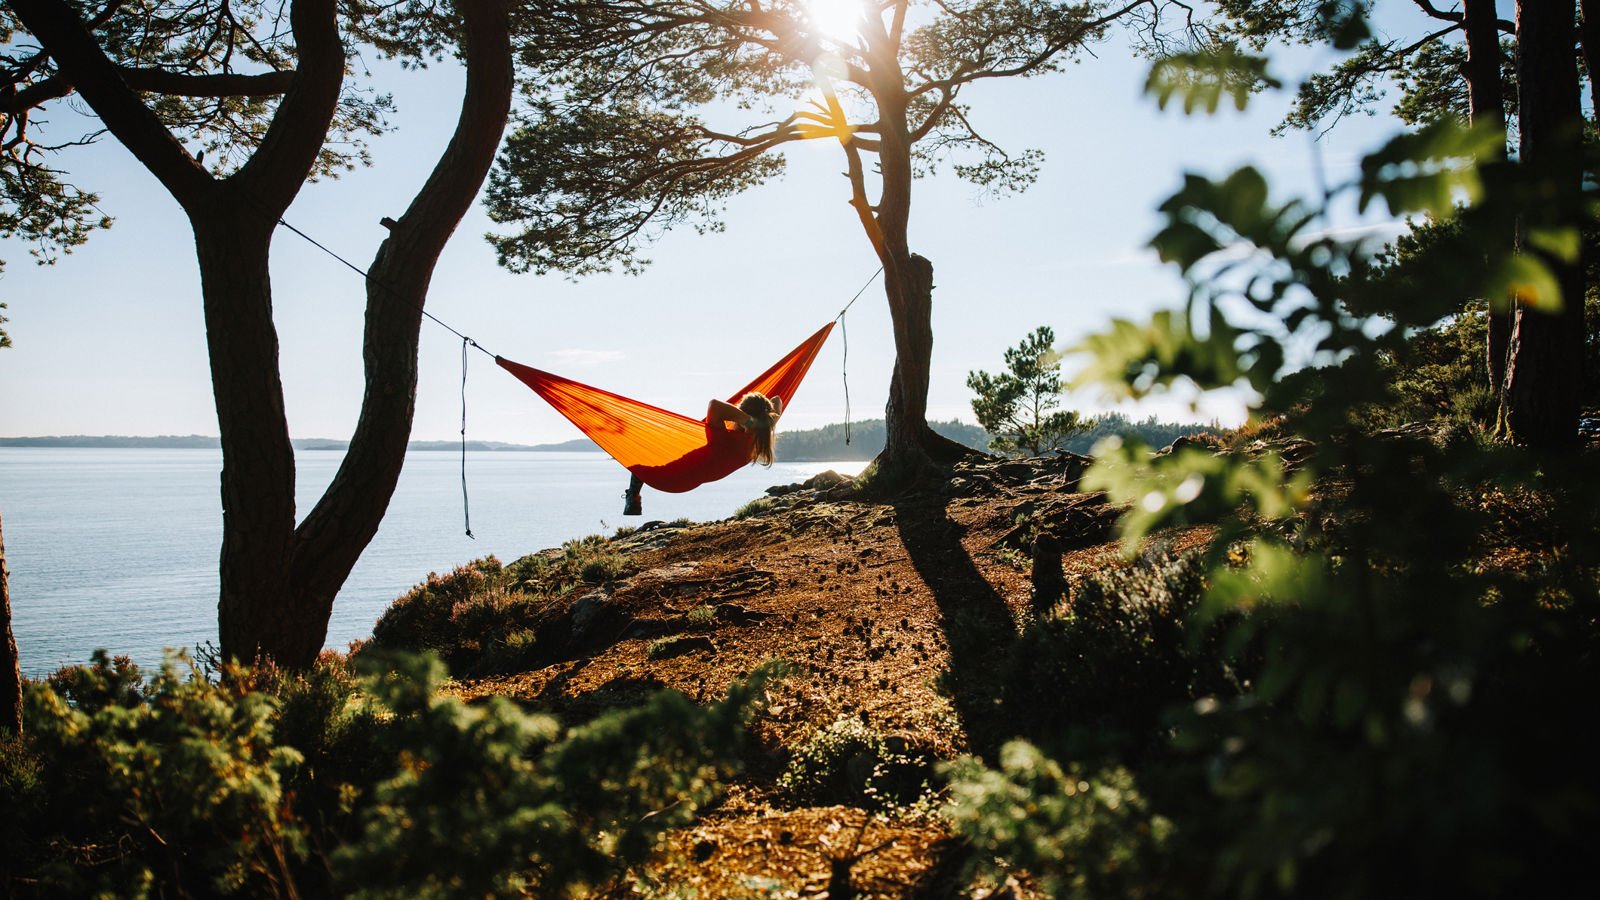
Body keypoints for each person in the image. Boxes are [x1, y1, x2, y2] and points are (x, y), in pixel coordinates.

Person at [623, 391, 782, 515]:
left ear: (742, 416)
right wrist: (761, 422)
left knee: (638, 459)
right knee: (649, 454)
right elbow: (777, 400)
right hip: (687, 481)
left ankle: (633, 497)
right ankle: (633, 498)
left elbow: (714, 405)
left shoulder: (727, 440)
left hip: (670, 478)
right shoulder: (759, 440)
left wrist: (749, 421)